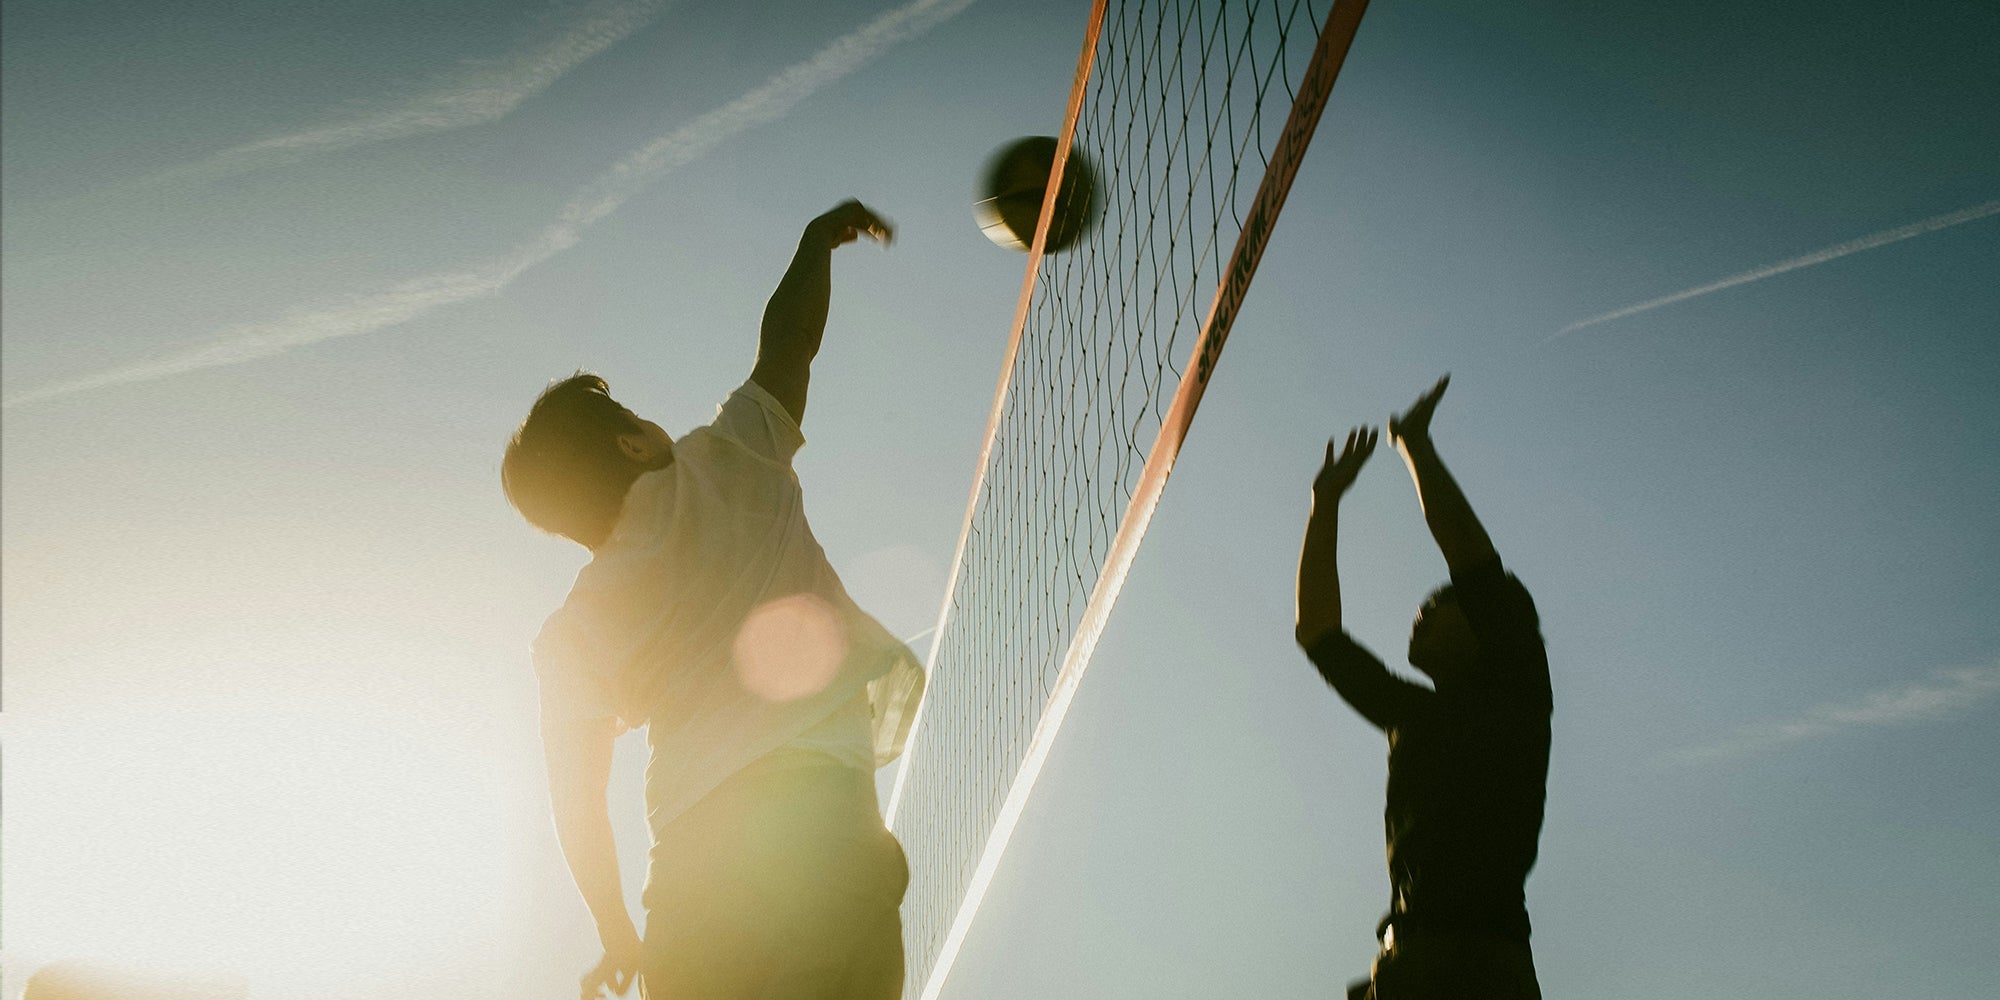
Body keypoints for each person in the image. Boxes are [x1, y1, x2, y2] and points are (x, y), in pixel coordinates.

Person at [501, 200, 926, 1000]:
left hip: (696, 871)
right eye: (634, 414)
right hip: (820, 829)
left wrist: (616, 928)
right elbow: (789, 345)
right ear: (633, 441)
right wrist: (813, 243)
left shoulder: (573, 632)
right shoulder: (729, 456)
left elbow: (577, 800)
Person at [1293, 375, 1551, 1000]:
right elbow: (1320, 633)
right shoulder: (1411, 713)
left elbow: (1470, 558)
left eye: (1441, 603)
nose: (1422, 611)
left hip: (1480, 963)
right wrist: (1323, 505)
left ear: (1488, 627)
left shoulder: (1515, 685)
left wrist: (1414, 446)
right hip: (1413, 957)